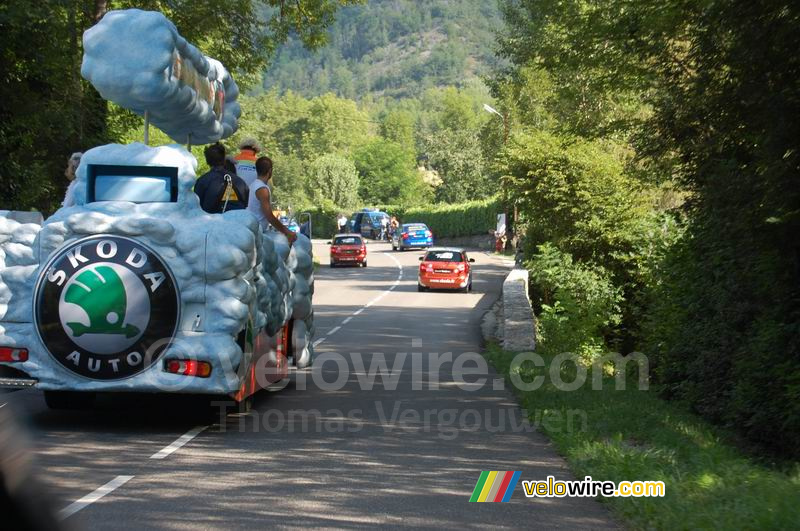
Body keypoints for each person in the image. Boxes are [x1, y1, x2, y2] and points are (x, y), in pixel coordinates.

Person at [247, 156, 297, 245]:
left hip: (254, 229)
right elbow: (269, 216)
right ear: (270, 171)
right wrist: (287, 232)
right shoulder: (262, 189)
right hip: (259, 232)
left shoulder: (253, 185)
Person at [194, 143, 249, 213]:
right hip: (238, 222)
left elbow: (196, 207)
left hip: (211, 222)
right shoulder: (241, 182)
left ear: (207, 162)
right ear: (224, 159)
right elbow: (245, 205)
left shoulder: (202, 181)